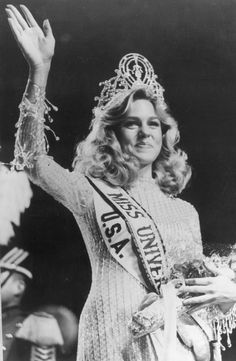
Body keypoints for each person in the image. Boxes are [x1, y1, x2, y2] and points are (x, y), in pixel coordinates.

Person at [4, 5, 236, 361]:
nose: (145, 132)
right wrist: (40, 70)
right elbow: (32, 161)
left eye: (153, 124)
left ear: (165, 132)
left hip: (168, 343)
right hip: (109, 333)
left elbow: (194, 294)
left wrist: (227, 292)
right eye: (132, 123)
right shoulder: (87, 192)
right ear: (111, 135)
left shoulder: (185, 211)